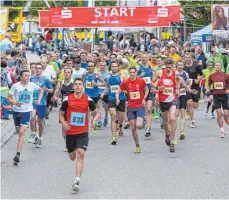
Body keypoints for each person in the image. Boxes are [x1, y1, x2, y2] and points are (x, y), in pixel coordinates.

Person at [59, 78, 99, 191]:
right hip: (70, 132)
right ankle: (71, 150)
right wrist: (63, 122)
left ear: (83, 86)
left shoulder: (88, 99)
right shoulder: (67, 99)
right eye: (75, 84)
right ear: (74, 87)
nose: (77, 86)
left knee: (80, 153)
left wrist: (94, 121)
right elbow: (61, 114)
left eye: (80, 84)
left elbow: (96, 112)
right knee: (72, 157)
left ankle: (77, 180)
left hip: (83, 131)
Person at [152, 59, 196, 152]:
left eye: (170, 67)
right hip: (162, 100)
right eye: (167, 67)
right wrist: (157, 88)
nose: (168, 69)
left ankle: (172, 141)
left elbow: (184, 85)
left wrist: (191, 91)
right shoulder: (159, 73)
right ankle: (167, 134)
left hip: (173, 99)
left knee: (173, 118)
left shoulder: (176, 76)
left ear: (172, 67)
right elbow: (151, 83)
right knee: (165, 120)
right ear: (164, 66)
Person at [7, 70, 44, 165]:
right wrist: (15, 103)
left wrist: (38, 100)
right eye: (26, 75)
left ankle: (17, 154)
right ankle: (18, 150)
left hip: (27, 111)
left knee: (22, 132)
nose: (28, 77)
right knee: (18, 131)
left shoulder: (32, 85)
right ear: (21, 76)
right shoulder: (15, 86)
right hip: (16, 111)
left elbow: (41, 90)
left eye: (29, 75)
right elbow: (8, 98)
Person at [116, 67, 149, 153]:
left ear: (135, 73)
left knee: (139, 125)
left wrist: (144, 98)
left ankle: (143, 122)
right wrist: (117, 99)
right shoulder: (126, 83)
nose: (132, 74)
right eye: (130, 72)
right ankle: (137, 145)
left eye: (133, 72)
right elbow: (118, 91)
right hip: (131, 107)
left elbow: (146, 90)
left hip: (139, 106)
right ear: (129, 73)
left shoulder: (141, 81)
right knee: (133, 127)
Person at [101, 61, 126, 145]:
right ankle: (114, 137)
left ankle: (120, 124)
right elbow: (107, 87)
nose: (114, 68)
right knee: (113, 116)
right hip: (111, 98)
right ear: (111, 67)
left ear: (118, 67)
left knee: (121, 117)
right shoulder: (108, 77)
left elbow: (126, 86)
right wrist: (103, 93)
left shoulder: (122, 76)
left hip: (121, 98)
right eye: (113, 66)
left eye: (115, 66)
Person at [29, 63, 53, 148]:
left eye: (39, 68)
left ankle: (40, 137)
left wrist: (47, 89)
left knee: (40, 121)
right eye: (36, 68)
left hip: (42, 103)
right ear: (34, 69)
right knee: (32, 118)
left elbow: (51, 90)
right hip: (32, 102)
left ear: (42, 69)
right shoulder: (31, 79)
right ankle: (33, 134)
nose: (38, 70)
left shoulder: (45, 79)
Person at [54, 67, 74, 152]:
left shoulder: (75, 83)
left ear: (71, 73)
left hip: (73, 107)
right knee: (64, 126)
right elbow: (55, 94)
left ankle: (73, 142)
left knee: (72, 126)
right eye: (65, 72)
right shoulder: (61, 83)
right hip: (64, 107)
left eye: (68, 72)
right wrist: (56, 98)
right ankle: (67, 144)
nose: (67, 74)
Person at [208, 62, 229, 138]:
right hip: (216, 95)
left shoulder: (225, 75)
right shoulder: (211, 76)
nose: (217, 67)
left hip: (224, 96)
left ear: (221, 67)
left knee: (226, 114)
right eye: (216, 65)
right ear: (214, 67)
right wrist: (210, 94)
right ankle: (222, 130)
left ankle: (226, 117)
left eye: (219, 65)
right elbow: (208, 86)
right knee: (219, 113)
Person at [82, 61, 106, 129]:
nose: (90, 67)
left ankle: (96, 121)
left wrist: (96, 84)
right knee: (86, 110)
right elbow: (81, 82)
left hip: (95, 95)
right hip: (86, 95)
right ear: (87, 67)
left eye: (91, 66)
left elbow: (104, 83)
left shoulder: (97, 74)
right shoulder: (84, 74)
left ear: (94, 67)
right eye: (89, 66)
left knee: (96, 110)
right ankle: (87, 125)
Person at [137, 53, 154, 137]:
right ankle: (143, 119)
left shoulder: (151, 68)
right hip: (141, 91)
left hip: (149, 90)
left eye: (145, 57)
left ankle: (148, 129)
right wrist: (140, 76)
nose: (144, 59)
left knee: (149, 109)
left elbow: (154, 79)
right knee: (142, 108)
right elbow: (133, 78)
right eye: (142, 57)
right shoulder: (138, 67)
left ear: (148, 58)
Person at [184, 53, 203, 128]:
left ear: (191, 58)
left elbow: (201, 75)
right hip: (186, 87)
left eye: (189, 57)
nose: (187, 59)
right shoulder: (183, 67)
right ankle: (192, 121)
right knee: (189, 103)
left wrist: (198, 80)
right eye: (186, 57)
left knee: (195, 106)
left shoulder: (196, 66)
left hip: (195, 87)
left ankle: (188, 109)